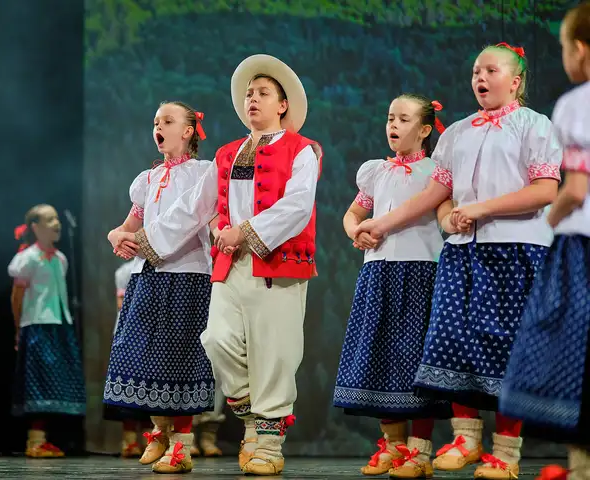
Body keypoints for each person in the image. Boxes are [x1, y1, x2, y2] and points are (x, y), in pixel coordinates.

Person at [354, 42, 562, 479]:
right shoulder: (458, 132)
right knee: (451, 342)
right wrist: (392, 222)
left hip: (517, 248)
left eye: (491, 70)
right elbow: (437, 194)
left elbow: (545, 189)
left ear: (515, 81)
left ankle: (505, 452)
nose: (480, 78)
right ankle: (466, 437)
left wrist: (480, 210)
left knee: (506, 350)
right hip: (463, 251)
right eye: (475, 71)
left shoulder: (534, 125)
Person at [114, 54, 323, 476]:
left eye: (263, 93)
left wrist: (244, 231)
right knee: (216, 341)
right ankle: (251, 418)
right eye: (249, 94)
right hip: (230, 265)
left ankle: (268, 444)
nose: (253, 99)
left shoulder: (302, 150)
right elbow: (194, 208)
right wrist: (144, 239)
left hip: (276, 264)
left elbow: (298, 206)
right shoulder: (228, 153)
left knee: (274, 351)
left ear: (282, 105)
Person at [334, 94, 451, 479]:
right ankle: (393, 444)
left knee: (415, 359)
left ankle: (420, 450)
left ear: (425, 129)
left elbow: (440, 213)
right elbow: (353, 213)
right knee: (380, 354)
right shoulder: (377, 171)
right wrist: (356, 232)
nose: (393, 126)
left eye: (403, 119)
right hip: (379, 271)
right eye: (390, 118)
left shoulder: (435, 172)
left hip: (420, 272)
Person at [498, 3, 590, 478]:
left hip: (581, 249)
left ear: (580, 50)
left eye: (563, 48)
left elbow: (574, 190)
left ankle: (581, 465)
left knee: (567, 349)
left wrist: (547, 221)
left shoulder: (577, 103)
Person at [105, 101, 216, 474]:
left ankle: (182, 443)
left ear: (187, 131)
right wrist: (117, 235)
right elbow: (130, 224)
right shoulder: (148, 179)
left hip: (188, 275)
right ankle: (159, 430)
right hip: (149, 274)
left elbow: (207, 218)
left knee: (180, 357)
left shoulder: (203, 173)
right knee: (142, 352)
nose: (159, 127)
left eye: (168, 121)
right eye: (156, 122)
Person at [8, 204, 86, 458]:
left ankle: (44, 439)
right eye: (50, 219)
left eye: (56, 218)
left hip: (59, 325)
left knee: (56, 382)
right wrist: (19, 328)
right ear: (36, 227)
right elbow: (17, 296)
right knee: (39, 381)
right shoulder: (27, 258)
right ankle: (35, 440)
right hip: (37, 325)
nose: (57, 223)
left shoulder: (61, 259)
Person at [109, 259, 153, 458]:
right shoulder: (124, 271)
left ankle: (149, 439)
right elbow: (121, 303)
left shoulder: (159, 268)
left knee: (150, 386)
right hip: (129, 333)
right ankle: (129, 440)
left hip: (150, 334)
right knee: (128, 384)